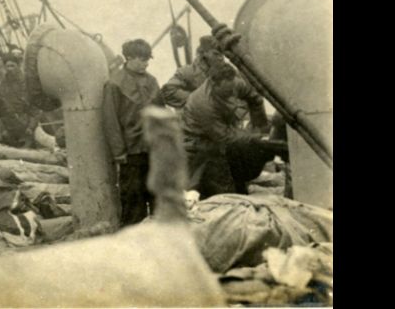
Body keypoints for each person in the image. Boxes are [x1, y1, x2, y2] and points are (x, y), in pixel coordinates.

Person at [180, 62, 284, 199]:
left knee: (239, 172)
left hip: (223, 135)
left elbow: (255, 99)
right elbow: (224, 137)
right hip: (199, 145)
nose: (231, 95)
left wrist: (260, 127)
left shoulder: (234, 83)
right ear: (213, 84)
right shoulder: (203, 104)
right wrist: (254, 137)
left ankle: (240, 191)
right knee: (222, 188)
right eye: (226, 92)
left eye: (232, 91)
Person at [102, 39, 164, 226]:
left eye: (148, 59)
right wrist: (119, 152)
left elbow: (162, 113)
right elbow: (110, 120)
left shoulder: (152, 81)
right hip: (131, 152)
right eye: (142, 59)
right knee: (133, 201)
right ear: (128, 57)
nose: (146, 63)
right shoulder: (114, 84)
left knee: (158, 199)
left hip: (153, 148)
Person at [160, 36, 225, 109]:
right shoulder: (187, 71)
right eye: (216, 54)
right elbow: (168, 92)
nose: (221, 58)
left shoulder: (225, 74)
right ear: (204, 53)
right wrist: (197, 100)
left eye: (222, 55)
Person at [0, 54, 38, 147]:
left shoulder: (27, 84)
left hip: (26, 127)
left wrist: (31, 127)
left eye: (12, 66)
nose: (10, 69)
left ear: (18, 66)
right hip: (8, 129)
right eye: (7, 66)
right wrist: (1, 129)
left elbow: (35, 109)